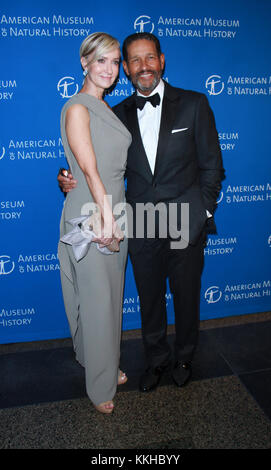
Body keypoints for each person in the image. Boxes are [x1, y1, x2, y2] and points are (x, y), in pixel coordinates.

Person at [58, 32, 224, 394]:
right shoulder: (114, 115)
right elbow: (89, 156)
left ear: (162, 61)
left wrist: (202, 212)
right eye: (133, 60)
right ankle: (156, 359)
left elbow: (213, 167)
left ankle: (184, 357)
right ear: (127, 70)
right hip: (138, 222)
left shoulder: (194, 104)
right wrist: (64, 175)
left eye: (149, 58)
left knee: (186, 295)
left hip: (185, 219)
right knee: (148, 298)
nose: (142, 66)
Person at [58, 32, 131, 414]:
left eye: (115, 61)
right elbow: (88, 170)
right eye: (101, 60)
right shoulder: (78, 108)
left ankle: (97, 359)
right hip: (94, 212)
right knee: (100, 300)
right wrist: (105, 217)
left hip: (113, 208)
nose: (110, 69)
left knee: (107, 297)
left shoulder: (106, 108)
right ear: (84, 62)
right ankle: (100, 385)